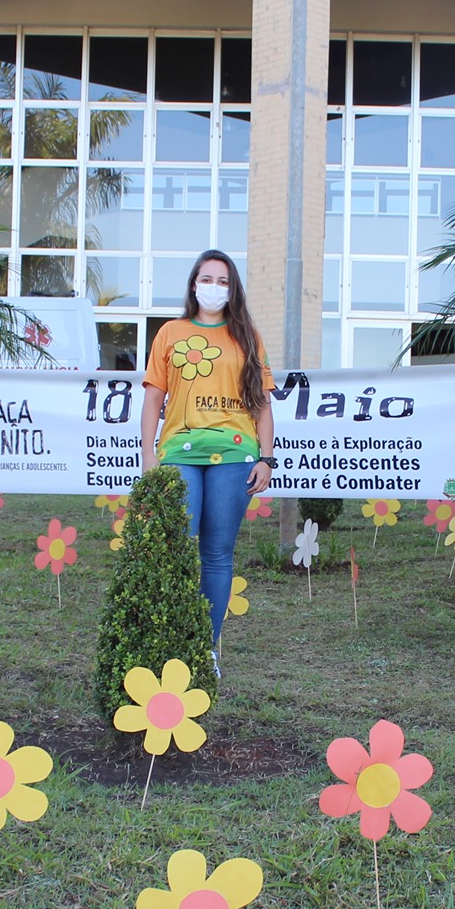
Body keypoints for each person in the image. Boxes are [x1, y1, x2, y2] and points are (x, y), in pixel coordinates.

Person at [139, 250, 275, 665]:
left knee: (216, 555)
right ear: (193, 284)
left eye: (223, 281)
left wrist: (267, 458)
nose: (214, 287)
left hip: (235, 454)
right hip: (178, 451)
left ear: (233, 289)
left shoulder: (247, 335)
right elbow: (152, 399)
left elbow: (263, 404)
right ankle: (172, 647)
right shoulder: (170, 333)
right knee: (177, 549)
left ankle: (204, 650)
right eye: (207, 278)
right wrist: (148, 457)